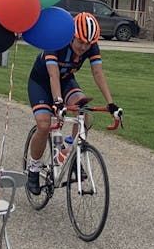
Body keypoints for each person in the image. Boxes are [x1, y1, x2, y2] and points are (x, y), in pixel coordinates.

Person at [26, 13, 121, 195]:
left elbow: (98, 74)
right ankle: (34, 168)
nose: (84, 47)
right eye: (80, 42)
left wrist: (111, 104)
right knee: (44, 125)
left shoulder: (91, 47)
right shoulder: (56, 40)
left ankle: (70, 152)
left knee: (83, 110)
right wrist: (58, 102)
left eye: (88, 44)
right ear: (72, 36)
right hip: (41, 83)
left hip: (66, 80)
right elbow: (53, 75)